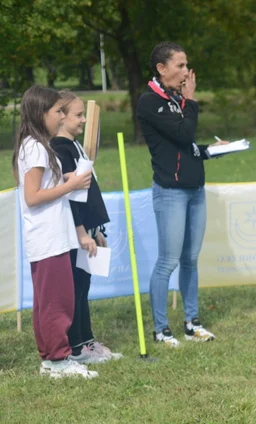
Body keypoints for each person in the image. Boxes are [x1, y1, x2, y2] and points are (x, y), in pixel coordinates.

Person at [137, 41, 226, 346]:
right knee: (168, 261)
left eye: (187, 65)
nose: (187, 72)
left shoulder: (177, 101)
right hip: (171, 192)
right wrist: (191, 102)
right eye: (180, 66)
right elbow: (183, 133)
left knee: (191, 259)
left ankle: (192, 322)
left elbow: (186, 146)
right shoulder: (150, 102)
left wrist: (211, 152)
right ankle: (161, 329)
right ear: (161, 69)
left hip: (194, 190)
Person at [12, 85, 96, 379]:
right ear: (41, 113)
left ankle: (50, 359)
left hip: (50, 236)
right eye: (58, 111)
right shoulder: (34, 146)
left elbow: (45, 185)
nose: (62, 117)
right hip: (47, 237)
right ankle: (59, 359)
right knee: (56, 303)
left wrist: (66, 177)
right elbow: (33, 196)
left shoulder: (36, 145)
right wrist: (70, 185)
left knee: (48, 301)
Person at [50, 90, 122, 364]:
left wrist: (97, 229)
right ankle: (77, 347)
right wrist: (81, 231)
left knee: (84, 285)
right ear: (60, 116)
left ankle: (86, 341)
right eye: (77, 115)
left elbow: (88, 193)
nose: (82, 121)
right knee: (76, 288)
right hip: (74, 233)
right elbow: (71, 196)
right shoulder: (60, 149)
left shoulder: (75, 146)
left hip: (87, 231)